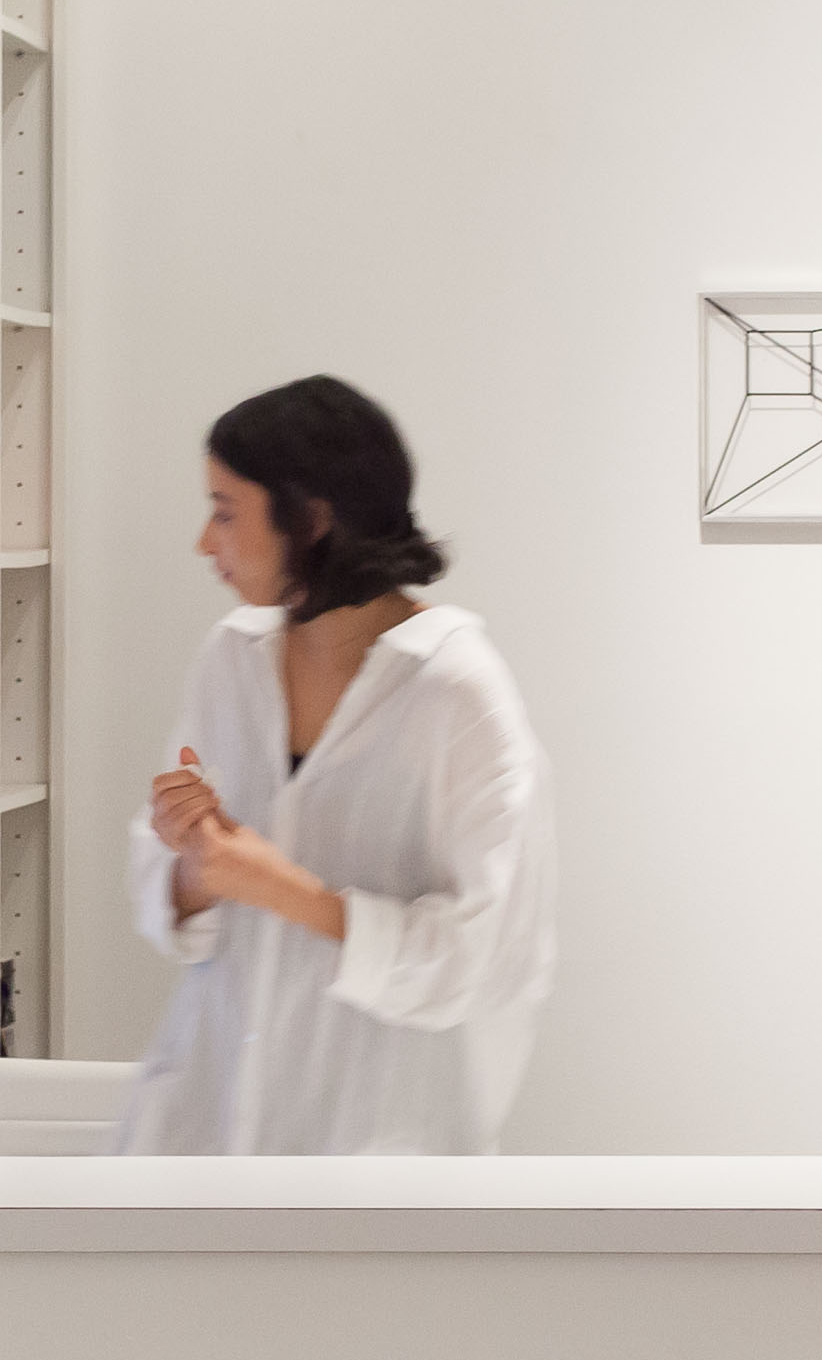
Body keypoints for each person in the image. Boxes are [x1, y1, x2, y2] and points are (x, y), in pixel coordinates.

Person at [117, 375, 555, 1153]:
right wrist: (194, 864)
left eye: (225, 512)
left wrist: (286, 891)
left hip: (380, 1145)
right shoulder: (229, 658)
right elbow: (165, 890)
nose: (204, 542)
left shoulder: (456, 690)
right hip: (206, 1126)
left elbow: (483, 961)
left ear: (312, 517)